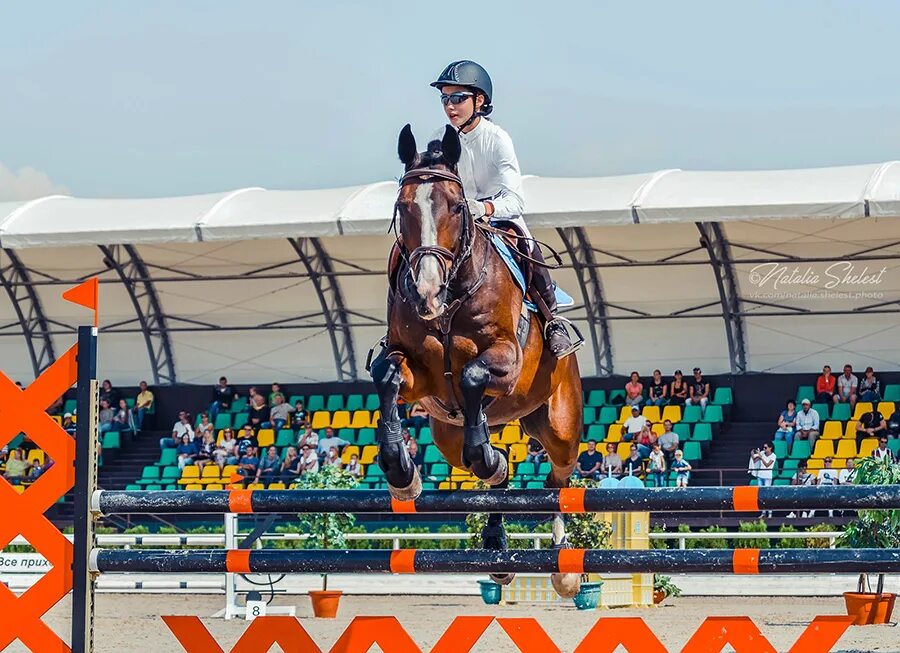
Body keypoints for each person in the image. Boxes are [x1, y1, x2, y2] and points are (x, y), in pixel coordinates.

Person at [427, 59, 581, 358]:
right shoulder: (437, 137)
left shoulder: (497, 139)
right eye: (445, 98)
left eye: (458, 98)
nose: (450, 106)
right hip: (458, 223)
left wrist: (483, 208)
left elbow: (516, 199)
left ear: (479, 100)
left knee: (527, 244)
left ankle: (552, 322)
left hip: (496, 217)